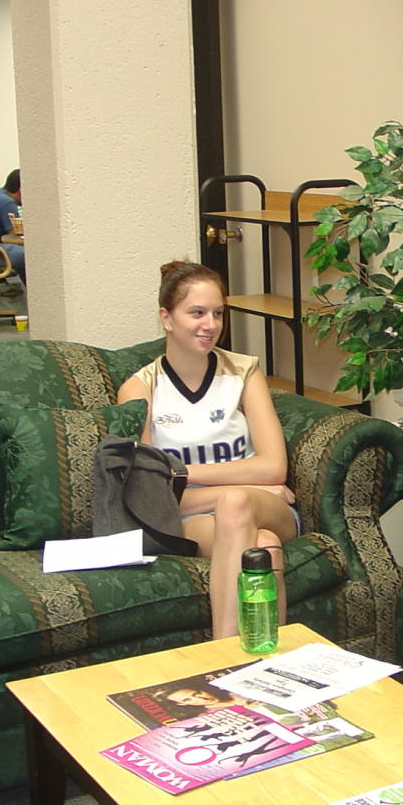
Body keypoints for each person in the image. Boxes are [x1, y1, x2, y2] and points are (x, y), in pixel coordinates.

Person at [116, 260, 296, 640]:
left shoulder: (244, 372)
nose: (210, 324)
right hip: (189, 517)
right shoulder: (140, 389)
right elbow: (152, 494)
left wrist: (183, 475)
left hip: (258, 505)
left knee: (235, 505)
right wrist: (251, 486)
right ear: (166, 318)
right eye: (196, 313)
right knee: (265, 549)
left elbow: (274, 466)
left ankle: (222, 655)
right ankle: (270, 671)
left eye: (218, 313)